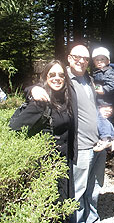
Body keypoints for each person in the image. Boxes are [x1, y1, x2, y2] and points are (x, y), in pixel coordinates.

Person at [29, 45, 110, 223]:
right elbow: (46, 83)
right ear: (69, 58)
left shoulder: (89, 79)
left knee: (94, 189)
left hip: (98, 145)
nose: (81, 61)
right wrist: (32, 90)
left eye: (85, 58)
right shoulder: (65, 78)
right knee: (78, 192)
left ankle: (92, 219)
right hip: (80, 147)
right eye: (77, 57)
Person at [10, 60, 74, 217]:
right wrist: (32, 90)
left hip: (65, 163)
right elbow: (15, 129)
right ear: (45, 77)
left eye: (61, 75)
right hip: (48, 167)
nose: (57, 78)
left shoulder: (65, 98)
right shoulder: (40, 102)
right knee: (51, 209)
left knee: (63, 206)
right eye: (52, 74)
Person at [91, 46, 114, 152]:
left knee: (101, 117)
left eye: (102, 59)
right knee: (104, 118)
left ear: (108, 61)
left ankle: (106, 138)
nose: (99, 62)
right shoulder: (97, 72)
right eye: (97, 59)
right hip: (101, 99)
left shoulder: (110, 72)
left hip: (106, 100)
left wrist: (103, 89)